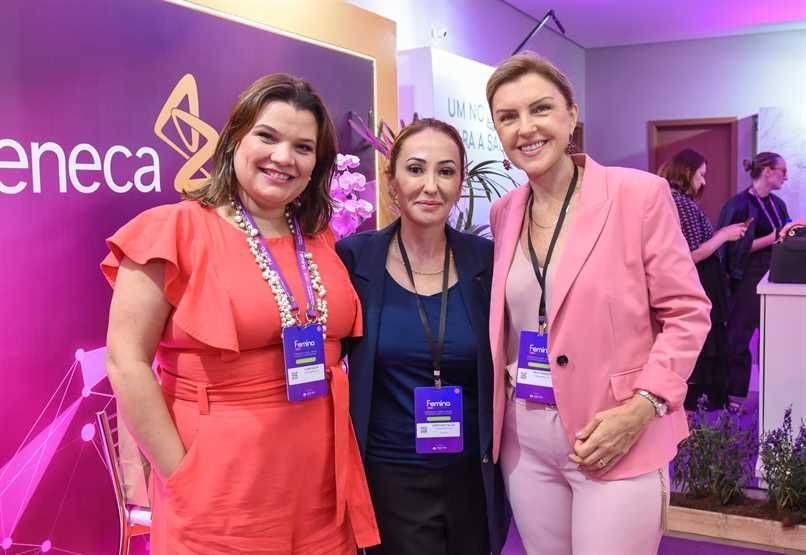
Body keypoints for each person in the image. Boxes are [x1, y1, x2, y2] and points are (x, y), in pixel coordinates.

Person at [102, 74, 379, 554]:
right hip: (221, 490)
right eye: (267, 136)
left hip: (321, 484)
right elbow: (126, 362)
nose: (283, 157)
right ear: (234, 140)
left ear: (316, 164)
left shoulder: (320, 238)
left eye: (303, 147)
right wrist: (179, 474)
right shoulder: (171, 230)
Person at [486, 52, 711, 554]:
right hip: (525, 438)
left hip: (616, 431)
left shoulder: (639, 195)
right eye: (508, 116)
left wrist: (644, 406)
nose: (526, 127)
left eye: (541, 108)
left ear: (571, 115)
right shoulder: (504, 212)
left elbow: (687, 312)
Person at [336, 118, 509, 555]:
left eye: (445, 171)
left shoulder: (487, 261)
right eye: (415, 169)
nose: (431, 186)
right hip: (388, 474)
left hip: (471, 474)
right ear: (391, 180)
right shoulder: (355, 259)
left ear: (460, 183)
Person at [659, 148, 748, 410]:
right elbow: (692, 253)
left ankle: (710, 400)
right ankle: (706, 402)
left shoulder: (674, 200)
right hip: (699, 279)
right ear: (687, 173)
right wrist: (724, 235)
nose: (704, 181)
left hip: (702, 278)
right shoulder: (681, 203)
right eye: (701, 175)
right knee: (706, 340)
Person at [718, 152, 790, 403]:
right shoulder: (738, 205)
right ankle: (734, 396)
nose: (786, 177)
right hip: (746, 277)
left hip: (775, 275)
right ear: (767, 171)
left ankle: (775, 393)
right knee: (739, 337)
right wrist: (772, 238)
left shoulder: (778, 204)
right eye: (782, 171)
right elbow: (731, 248)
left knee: (774, 337)